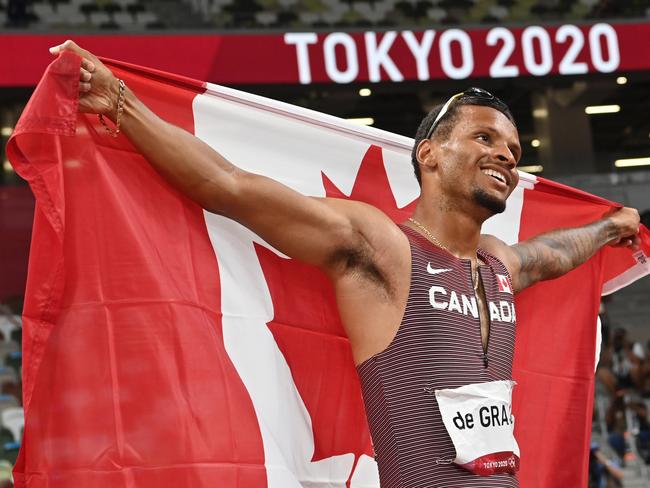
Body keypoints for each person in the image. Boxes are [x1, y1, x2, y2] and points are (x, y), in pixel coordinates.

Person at [48, 41, 641, 487]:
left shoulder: (498, 265)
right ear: (430, 154)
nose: (506, 158)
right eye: (485, 139)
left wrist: (609, 228)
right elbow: (229, 186)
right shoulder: (381, 248)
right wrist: (121, 104)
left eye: (513, 150)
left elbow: (555, 255)